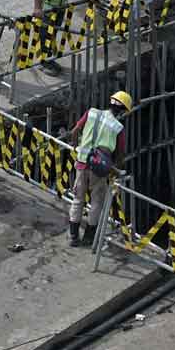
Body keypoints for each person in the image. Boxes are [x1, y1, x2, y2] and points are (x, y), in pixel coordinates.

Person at [65, 90, 132, 247]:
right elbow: (120, 154)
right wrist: (115, 170)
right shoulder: (118, 127)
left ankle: (73, 237)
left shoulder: (91, 112)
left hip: (82, 162)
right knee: (96, 202)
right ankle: (89, 238)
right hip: (99, 168)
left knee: (78, 199)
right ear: (122, 110)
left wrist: (76, 146)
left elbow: (74, 131)